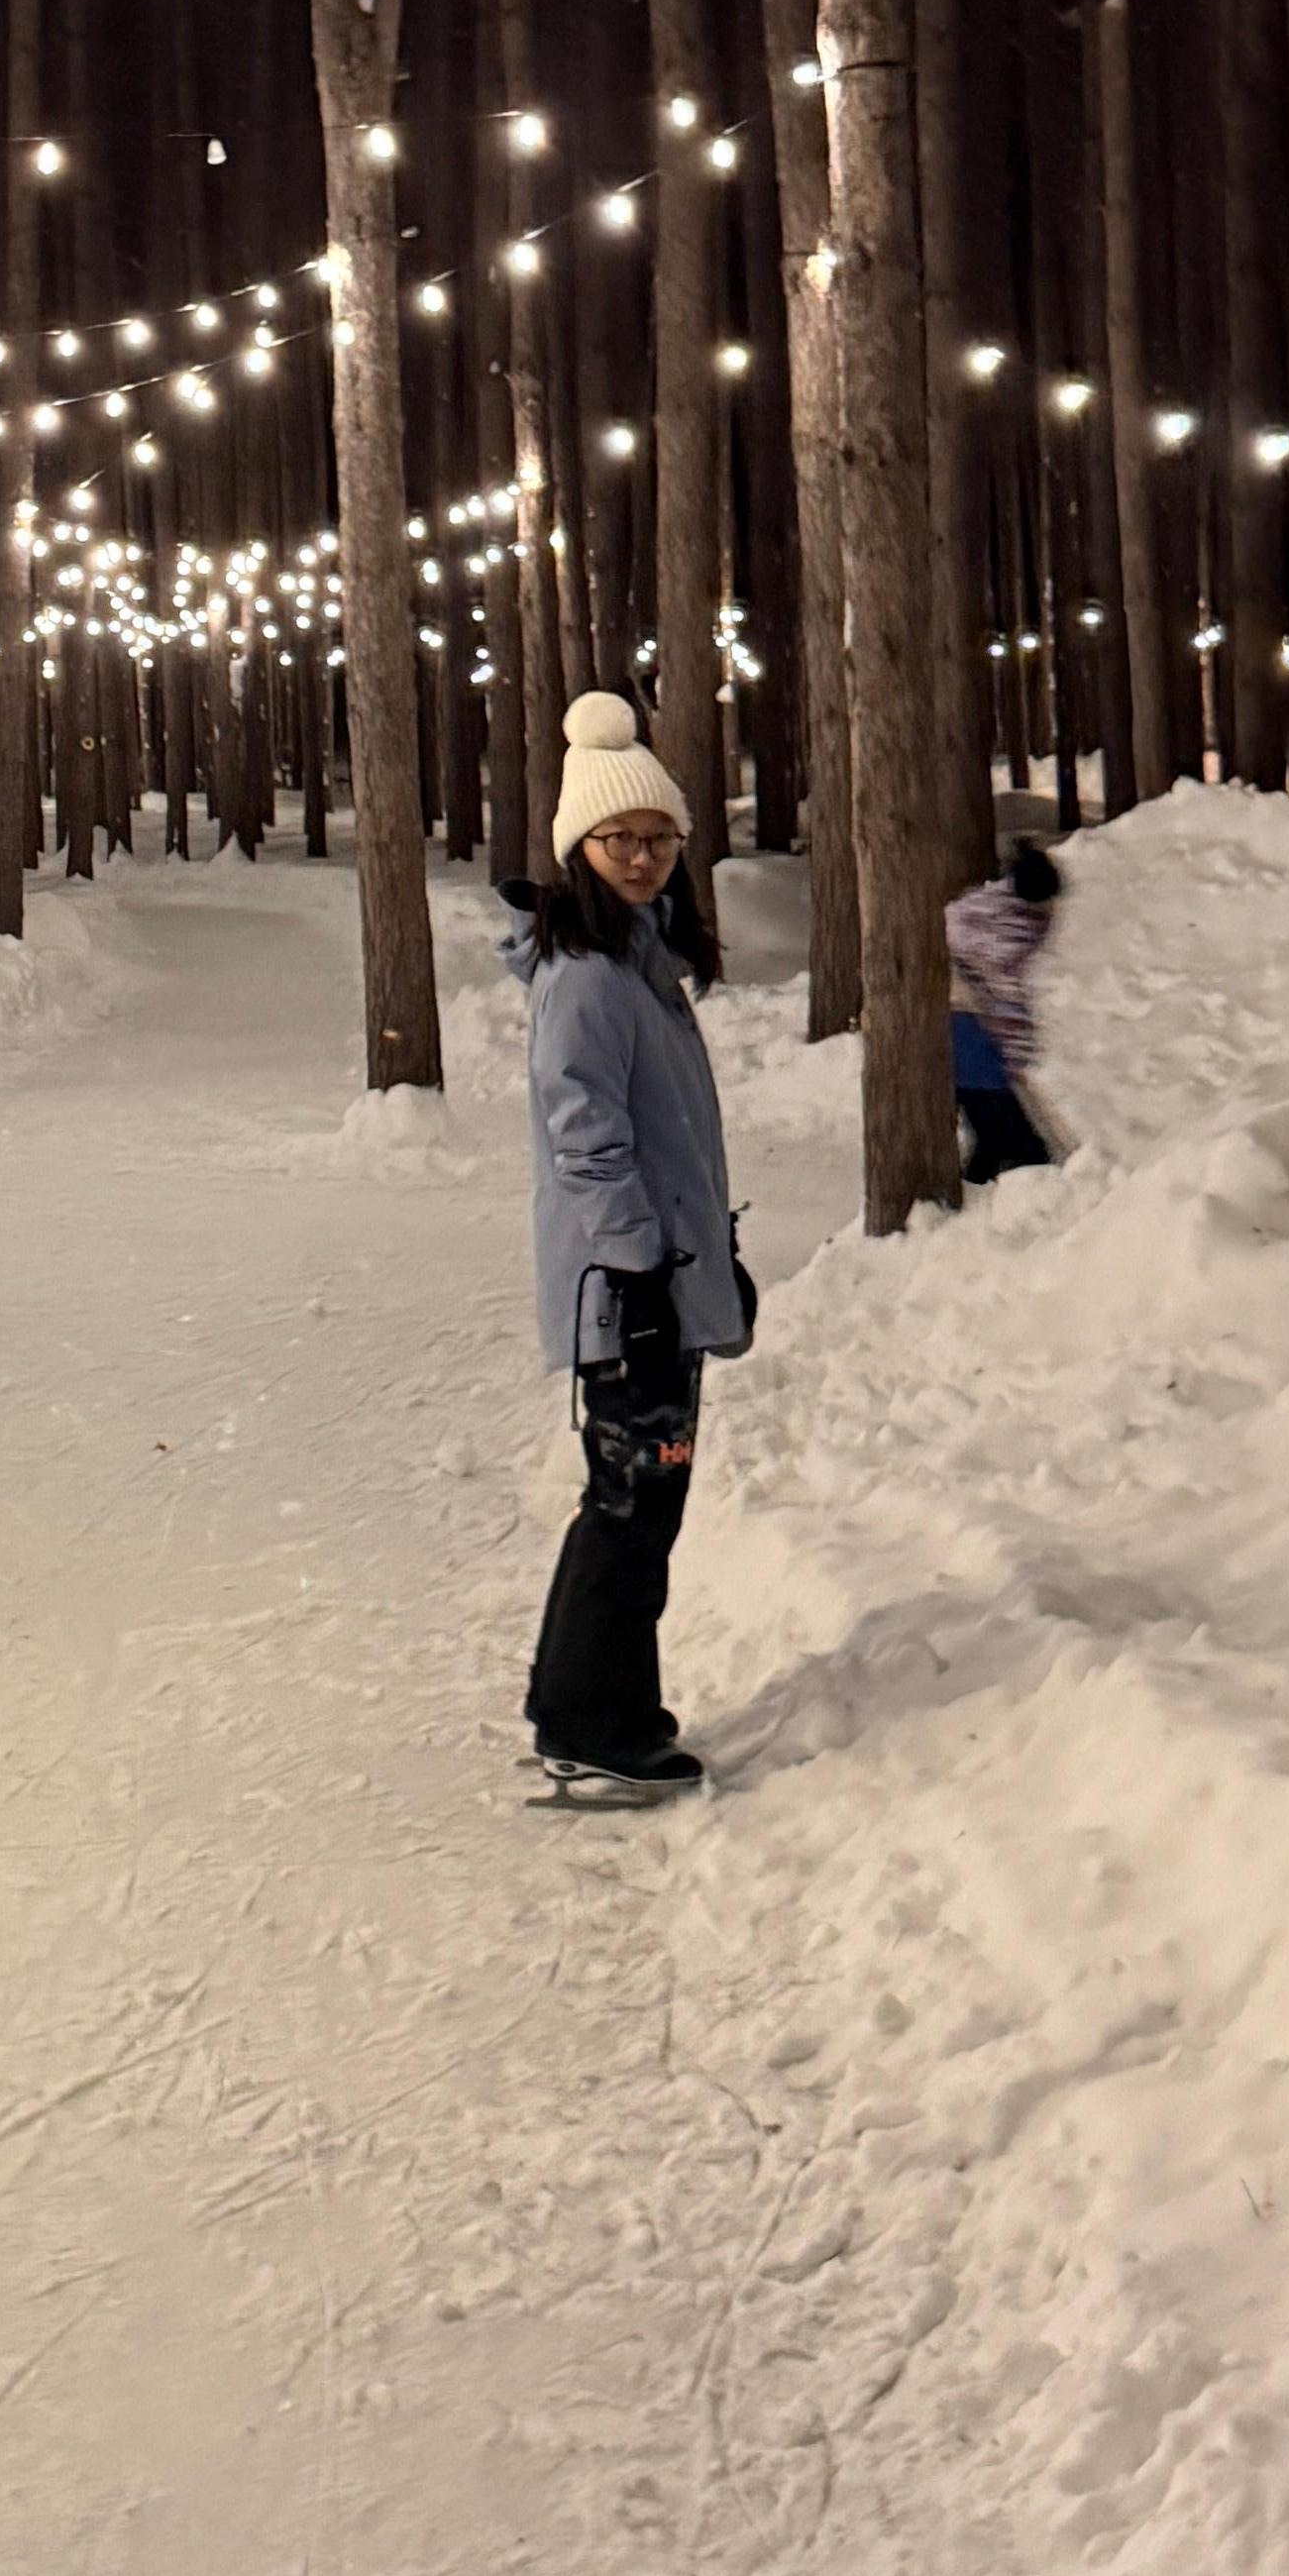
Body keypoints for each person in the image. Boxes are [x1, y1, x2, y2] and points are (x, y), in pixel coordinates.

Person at [517, 694, 750, 1792]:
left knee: (642, 1502)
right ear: (580, 850)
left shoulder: (643, 963)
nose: (643, 857)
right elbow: (587, 1140)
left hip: (660, 1281)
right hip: (627, 1300)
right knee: (630, 1501)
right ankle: (584, 1715)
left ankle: (602, 1704)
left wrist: (705, 1253)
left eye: (660, 838)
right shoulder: (589, 980)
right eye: (621, 840)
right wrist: (641, 1264)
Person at [945, 837, 1065, 1184]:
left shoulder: (975, 907)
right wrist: (1016, 1055)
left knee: (990, 1136)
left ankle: (973, 1194)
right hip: (977, 1045)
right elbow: (1007, 1002)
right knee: (1026, 1148)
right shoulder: (1015, 934)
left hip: (953, 1035)